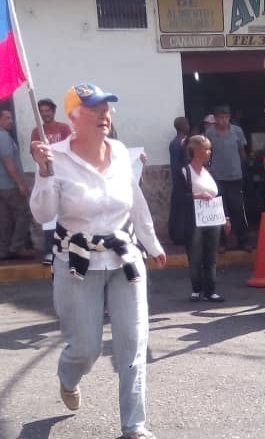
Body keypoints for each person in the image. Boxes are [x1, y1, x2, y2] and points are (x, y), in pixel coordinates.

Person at [29, 82, 166, 439]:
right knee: (85, 348)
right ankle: (68, 376)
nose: (104, 115)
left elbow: (135, 201)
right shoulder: (54, 157)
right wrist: (43, 173)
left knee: (133, 343)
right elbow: (43, 212)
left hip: (124, 258)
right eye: (95, 109)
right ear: (75, 117)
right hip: (76, 262)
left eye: (107, 108)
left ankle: (133, 425)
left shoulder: (120, 152)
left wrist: (151, 243)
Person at [180, 135, 230, 303]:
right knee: (195, 256)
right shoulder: (185, 172)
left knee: (211, 257)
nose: (209, 152)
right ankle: (196, 289)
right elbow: (178, 197)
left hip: (213, 219)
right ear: (196, 152)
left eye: (209, 149)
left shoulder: (211, 171)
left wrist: (226, 217)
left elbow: (220, 194)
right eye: (205, 149)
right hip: (195, 220)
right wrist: (197, 195)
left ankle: (211, 291)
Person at [31, 98, 72, 265]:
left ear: (53, 111)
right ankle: (50, 251)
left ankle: (67, 246)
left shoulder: (64, 128)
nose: (45, 114)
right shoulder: (36, 131)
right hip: (46, 174)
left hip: (64, 174)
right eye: (42, 111)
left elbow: (70, 149)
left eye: (47, 110)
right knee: (48, 214)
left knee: (65, 210)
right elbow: (33, 152)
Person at [206, 105, 251, 252]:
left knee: (237, 208)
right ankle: (222, 243)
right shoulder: (209, 133)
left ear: (229, 117)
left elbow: (242, 152)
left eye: (226, 117)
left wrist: (245, 169)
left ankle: (243, 240)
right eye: (220, 118)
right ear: (216, 118)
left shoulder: (237, 131)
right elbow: (207, 153)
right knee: (219, 210)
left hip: (235, 176)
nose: (223, 121)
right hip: (217, 177)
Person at [0, 109, 34, 260]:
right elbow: (9, 163)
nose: (11, 120)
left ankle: (3, 250)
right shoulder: (3, 137)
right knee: (24, 212)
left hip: (2, 187)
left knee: (5, 219)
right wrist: (21, 183)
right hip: (9, 185)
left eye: (11, 117)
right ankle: (17, 247)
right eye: (7, 118)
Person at [168, 116, 191, 244]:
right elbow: (181, 164)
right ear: (182, 126)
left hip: (178, 180)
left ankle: (178, 235)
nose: (189, 126)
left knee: (178, 209)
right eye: (186, 124)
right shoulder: (180, 143)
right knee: (180, 210)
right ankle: (179, 236)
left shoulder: (176, 142)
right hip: (181, 181)